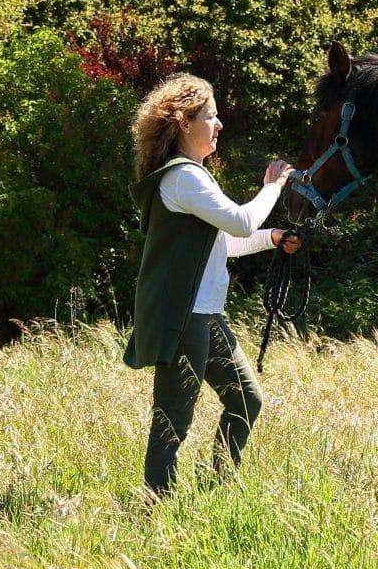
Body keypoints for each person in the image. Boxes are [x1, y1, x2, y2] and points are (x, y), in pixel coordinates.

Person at [124, 73, 306, 496]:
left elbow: (227, 242)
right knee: (173, 421)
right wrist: (273, 186)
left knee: (246, 400)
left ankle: (216, 491)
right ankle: (155, 512)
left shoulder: (194, 178)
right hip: (183, 320)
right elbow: (241, 219)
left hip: (206, 316)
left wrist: (274, 238)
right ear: (184, 123)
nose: (219, 124)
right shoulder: (183, 178)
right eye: (211, 116)